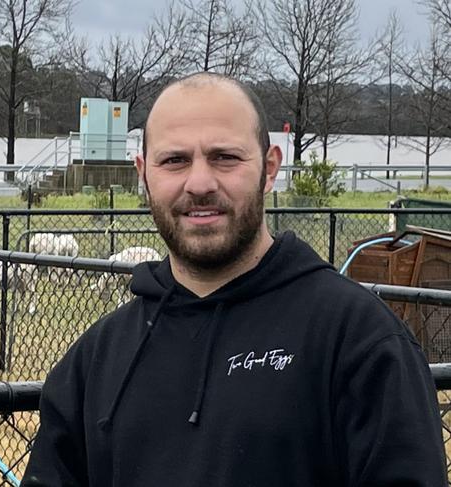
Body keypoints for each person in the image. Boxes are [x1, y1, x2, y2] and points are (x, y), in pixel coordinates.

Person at [22, 73, 446, 486]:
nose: (200, 183)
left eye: (225, 157)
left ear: (269, 167)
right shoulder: (96, 358)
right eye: (174, 160)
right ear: (144, 175)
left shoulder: (360, 343)